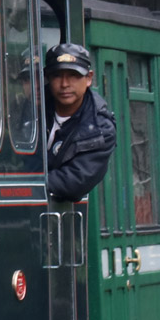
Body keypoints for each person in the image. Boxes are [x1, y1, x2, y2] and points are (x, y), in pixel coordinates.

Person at [43, 42, 115, 201]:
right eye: (57, 75)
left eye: (73, 75)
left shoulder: (101, 129)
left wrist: (26, 184)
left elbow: (75, 182)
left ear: (89, 78)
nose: (64, 84)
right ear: (47, 77)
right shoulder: (29, 109)